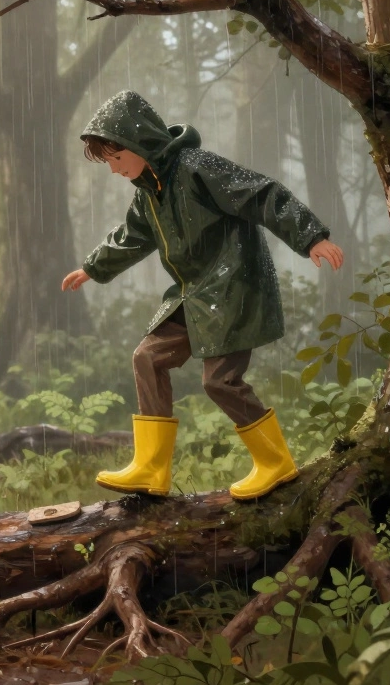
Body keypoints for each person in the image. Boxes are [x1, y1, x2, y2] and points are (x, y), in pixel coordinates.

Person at [62, 90, 344, 500]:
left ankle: (275, 463)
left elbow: (261, 193)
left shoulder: (197, 167)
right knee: (147, 356)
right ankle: (151, 468)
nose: (114, 169)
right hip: (191, 295)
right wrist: (93, 267)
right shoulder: (147, 193)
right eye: (108, 163)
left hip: (233, 289)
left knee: (220, 381)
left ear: (140, 145)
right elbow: (133, 237)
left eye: (116, 159)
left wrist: (311, 235)